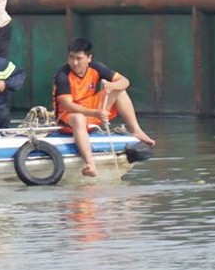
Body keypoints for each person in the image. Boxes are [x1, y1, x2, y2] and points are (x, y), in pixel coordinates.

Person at [53, 37, 157, 177]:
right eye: (71, 58)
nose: (74, 63)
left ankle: (136, 130)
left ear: (89, 58)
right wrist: (95, 113)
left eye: (79, 58)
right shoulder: (62, 75)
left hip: (91, 111)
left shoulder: (96, 68)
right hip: (68, 116)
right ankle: (90, 164)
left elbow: (125, 81)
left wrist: (112, 86)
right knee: (78, 118)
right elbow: (68, 105)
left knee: (120, 91)